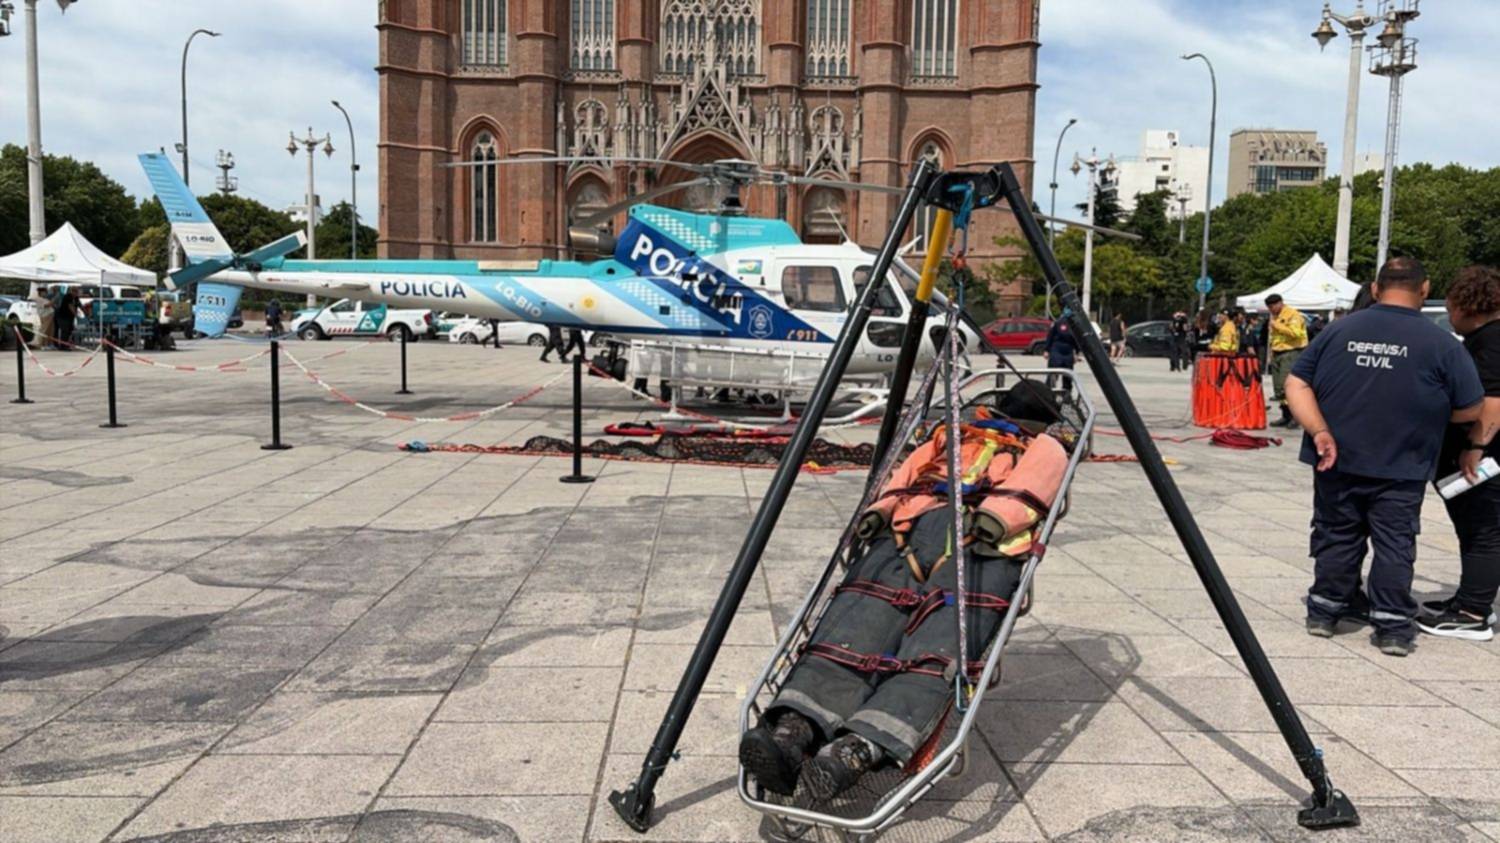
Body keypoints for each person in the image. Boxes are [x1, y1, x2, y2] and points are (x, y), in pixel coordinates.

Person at [739, 404, 1069, 799]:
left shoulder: (1041, 445)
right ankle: (795, 729)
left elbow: (1042, 474)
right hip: (910, 526)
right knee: (859, 621)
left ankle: (857, 748)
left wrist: (996, 517)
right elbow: (908, 471)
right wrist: (882, 509)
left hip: (987, 545)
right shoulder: (950, 435)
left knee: (935, 650)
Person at [1285, 257, 1484, 656]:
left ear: (1376, 289)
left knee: (1336, 533)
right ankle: (1392, 626)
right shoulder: (1442, 344)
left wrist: (1320, 430)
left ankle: (1324, 610)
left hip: (1336, 459)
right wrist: (1428, 414)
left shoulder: (1337, 331)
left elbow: (1296, 382)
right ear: (1424, 289)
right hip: (1402, 463)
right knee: (1394, 543)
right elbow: (1471, 408)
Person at [1419, 266, 1500, 640]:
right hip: (1481, 453)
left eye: (1451, 309)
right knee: (1476, 530)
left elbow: (1494, 401)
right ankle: (1470, 598)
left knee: (1484, 531)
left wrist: (1475, 447)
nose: (1450, 317)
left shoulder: (1491, 343)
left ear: (1467, 306)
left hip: (1485, 456)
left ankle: (1472, 612)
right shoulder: (1486, 339)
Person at [1266, 294, 1309, 428]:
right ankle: (1286, 415)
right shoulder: (1276, 316)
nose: (1271, 310)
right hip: (1278, 353)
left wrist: (1276, 325)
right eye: (1269, 307)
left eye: (1272, 306)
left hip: (1291, 352)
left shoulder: (1293, 315)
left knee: (1287, 386)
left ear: (1280, 303)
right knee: (1279, 388)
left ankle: (1296, 417)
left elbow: (1296, 333)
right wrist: (1271, 353)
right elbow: (1274, 337)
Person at [1044, 311, 1078, 384]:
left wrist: (1076, 353)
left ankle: (1066, 389)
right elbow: (1050, 336)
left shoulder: (1074, 325)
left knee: (1068, 374)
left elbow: (1076, 340)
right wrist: (1047, 350)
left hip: (1068, 350)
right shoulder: (1058, 323)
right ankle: (1050, 387)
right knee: (1053, 372)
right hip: (1057, 349)